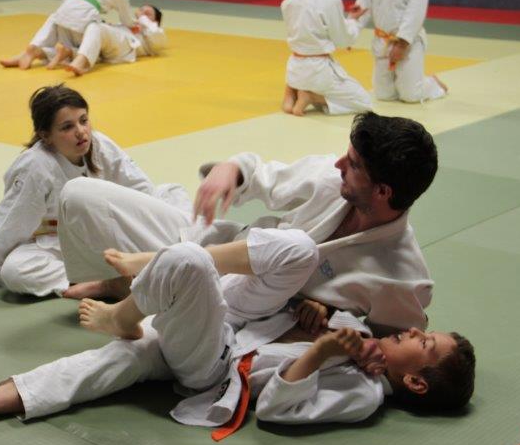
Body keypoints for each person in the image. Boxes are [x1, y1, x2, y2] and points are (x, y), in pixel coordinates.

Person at [0, 228, 476, 445]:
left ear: (415, 383)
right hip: (230, 323)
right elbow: (306, 317)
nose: (413, 331)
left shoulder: (364, 396)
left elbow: (279, 409)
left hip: (216, 365)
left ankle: (126, 308)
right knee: (107, 366)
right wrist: (316, 313)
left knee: (186, 262)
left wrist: (323, 351)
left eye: (424, 344)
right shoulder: (368, 339)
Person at [59, 112, 437, 334]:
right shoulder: (331, 178)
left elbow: (389, 344)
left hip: (238, 314)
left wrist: (332, 315)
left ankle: (138, 282)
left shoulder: (403, 276)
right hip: (215, 244)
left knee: (152, 342)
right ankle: (128, 280)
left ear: (383, 191)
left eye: (352, 164)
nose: (338, 164)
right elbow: (260, 174)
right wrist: (232, 170)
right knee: (79, 195)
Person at [0, 84, 190, 299]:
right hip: (57, 242)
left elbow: (139, 189)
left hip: (105, 232)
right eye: (67, 127)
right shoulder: (35, 167)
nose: (81, 131)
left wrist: (152, 223)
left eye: (84, 120)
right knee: (15, 271)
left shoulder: (100, 144)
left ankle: (175, 251)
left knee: (171, 192)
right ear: (45, 136)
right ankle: (107, 283)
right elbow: (10, 223)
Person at [0, 0, 136, 70]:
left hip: (64, 13)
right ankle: (76, 60)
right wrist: (134, 25)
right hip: (83, 22)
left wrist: (67, 1)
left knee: (55, 19)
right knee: (95, 50)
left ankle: (34, 49)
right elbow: (126, 19)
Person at [281, 0, 372, 116]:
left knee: (302, 74)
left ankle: (291, 91)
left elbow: (313, 27)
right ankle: (311, 96)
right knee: (364, 102)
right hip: (318, 72)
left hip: (294, 68)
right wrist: (354, 23)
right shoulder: (330, 0)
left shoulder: (288, 1)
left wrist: (350, 18)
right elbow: (343, 39)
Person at [353, 0, 448, 103]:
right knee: (383, 95)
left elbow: (415, 12)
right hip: (383, 41)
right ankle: (409, 80)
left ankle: (433, 84)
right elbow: (363, 5)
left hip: (409, 42)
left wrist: (402, 44)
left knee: (411, 96)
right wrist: (351, 28)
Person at [53, 5, 166, 76]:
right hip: (110, 49)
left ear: (156, 21)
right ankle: (65, 52)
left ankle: (80, 63)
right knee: (80, 24)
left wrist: (143, 19)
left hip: (126, 48)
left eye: (148, 14)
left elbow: (158, 41)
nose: (143, 14)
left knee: (96, 27)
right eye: (141, 10)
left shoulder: (155, 31)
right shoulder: (128, 23)